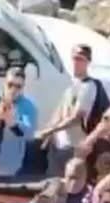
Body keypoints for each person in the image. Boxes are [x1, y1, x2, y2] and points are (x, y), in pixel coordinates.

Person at [37, 44, 100, 177]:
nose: (76, 63)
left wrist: (50, 130)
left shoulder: (88, 87)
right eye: (74, 59)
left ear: (88, 62)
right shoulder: (72, 86)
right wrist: (49, 133)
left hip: (74, 147)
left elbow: (76, 118)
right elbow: (60, 112)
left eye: (80, 59)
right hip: (59, 145)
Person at [0, 67, 38, 180]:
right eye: (10, 85)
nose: (13, 90)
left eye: (18, 86)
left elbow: (29, 134)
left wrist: (13, 124)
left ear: (23, 87)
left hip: (8, 167)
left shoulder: (28, 106)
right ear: (4, 83)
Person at [75, 104, 110, 184]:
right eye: (106, 118)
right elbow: (78, 156)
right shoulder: (93, 140)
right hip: (87, 185)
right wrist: (96, 133)